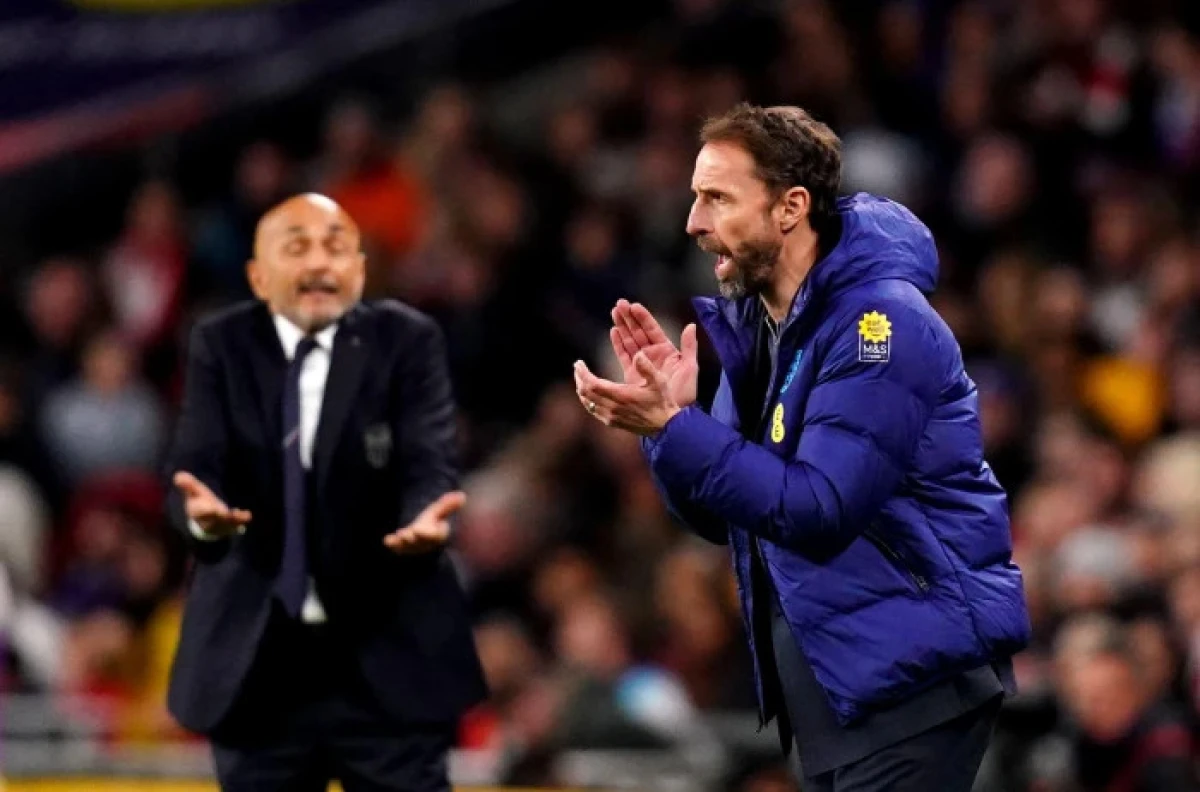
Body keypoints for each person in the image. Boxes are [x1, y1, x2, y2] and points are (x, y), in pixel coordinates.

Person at [574, 103, 1031, 791]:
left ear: (790, 207)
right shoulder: (761, 327)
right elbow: (725, 517)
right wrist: (670, 427)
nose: (694, 223)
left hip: (908, 691)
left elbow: (818, 509)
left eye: (717, 198)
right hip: (834, 699)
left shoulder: (879, 326)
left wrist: (680, 429)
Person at [165, 193, 487, 791]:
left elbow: (430, 459)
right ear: (258, 276)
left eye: (336, 247)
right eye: (297, 247)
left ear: (360, 270)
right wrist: (202, 521)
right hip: (258, 670)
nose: (320, 264)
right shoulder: (221, 344)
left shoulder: (408, 341)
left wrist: (426, 517)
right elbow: (196, 467)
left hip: (387, 660)